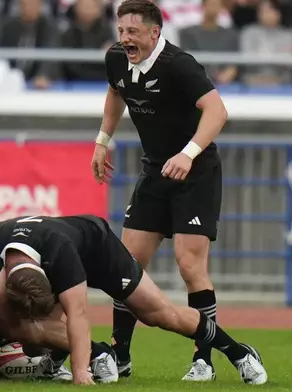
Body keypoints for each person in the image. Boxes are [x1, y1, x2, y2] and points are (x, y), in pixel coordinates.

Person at [91, 0, 227, 381]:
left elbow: (218, 112)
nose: (125, 39)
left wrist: (188, 153)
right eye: (121, 31)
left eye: (132, 32)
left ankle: (204, 360)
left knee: (189, 265)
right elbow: (116, 93)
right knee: (126, 262)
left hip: (196, 171)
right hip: (155, 172)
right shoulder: (117, 59)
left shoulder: (179, 65)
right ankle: (121, 356)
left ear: (155, 32)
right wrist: (103, 140)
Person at [0, 214, 267, 385]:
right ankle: (57, 364)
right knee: (32, 326)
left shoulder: (60, 255)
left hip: (99, 249)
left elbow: (77, 313)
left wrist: (80, 372)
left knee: (160, 314)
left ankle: (239, 354)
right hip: (51, 257)